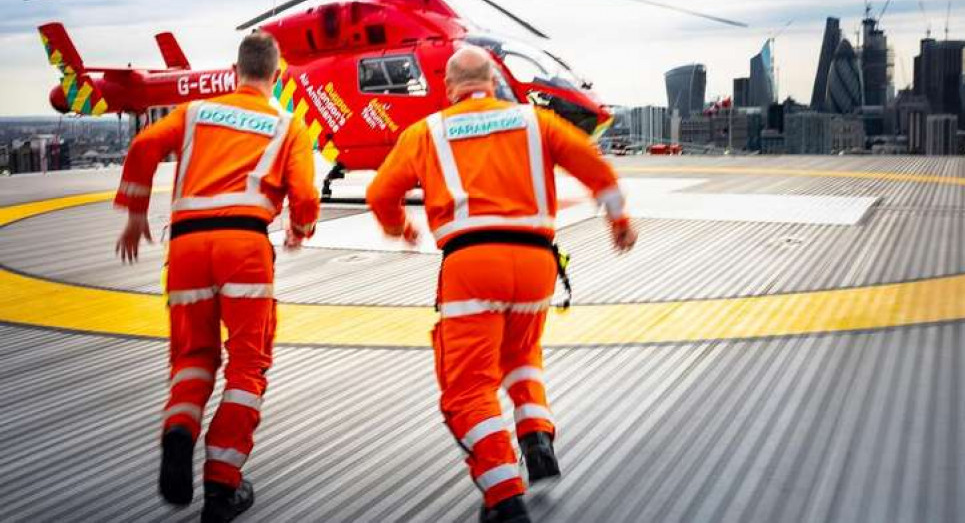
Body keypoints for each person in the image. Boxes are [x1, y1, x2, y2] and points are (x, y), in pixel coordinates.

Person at [366, 46, 637, 523]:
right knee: (521, 356)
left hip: (472, 264)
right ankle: (535, 434)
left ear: (449, 87)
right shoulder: (535, 121)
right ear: (492, 81)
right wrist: (618, 221)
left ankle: (503, 496)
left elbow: (380, 192)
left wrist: (399, 228)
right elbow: (597, 169)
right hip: (536, 265)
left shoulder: (427, 132)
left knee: (468, 390)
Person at [113, 32, 319, 522]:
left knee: (192, 357)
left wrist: (136, 212)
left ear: (233, 70)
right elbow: (306, 194)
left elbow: (144, 143)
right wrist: (300, 228)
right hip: (244, 247)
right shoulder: (288, 125)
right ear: (278, 74)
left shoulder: (197, 112)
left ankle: (180, 427)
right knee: (247, 366)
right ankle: (222, 487)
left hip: (185, 247)